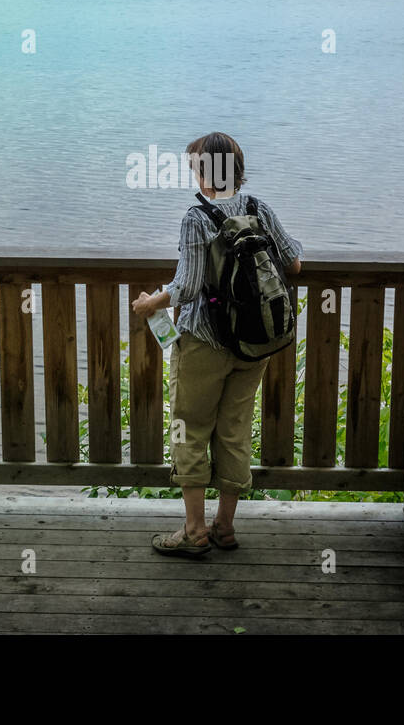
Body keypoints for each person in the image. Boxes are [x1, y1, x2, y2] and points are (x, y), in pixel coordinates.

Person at [131, 131, 303, 558]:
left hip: (204, 343)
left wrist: (151, 302)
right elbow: (294, 261)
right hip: (254, 343)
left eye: (193, 164)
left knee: (188, 428)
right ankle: (224, 526)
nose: (191, 170)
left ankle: (194, 530)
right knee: (234, 429)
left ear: (205, 171)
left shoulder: (196, 217)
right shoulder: (257, 207)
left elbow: (187, 287)